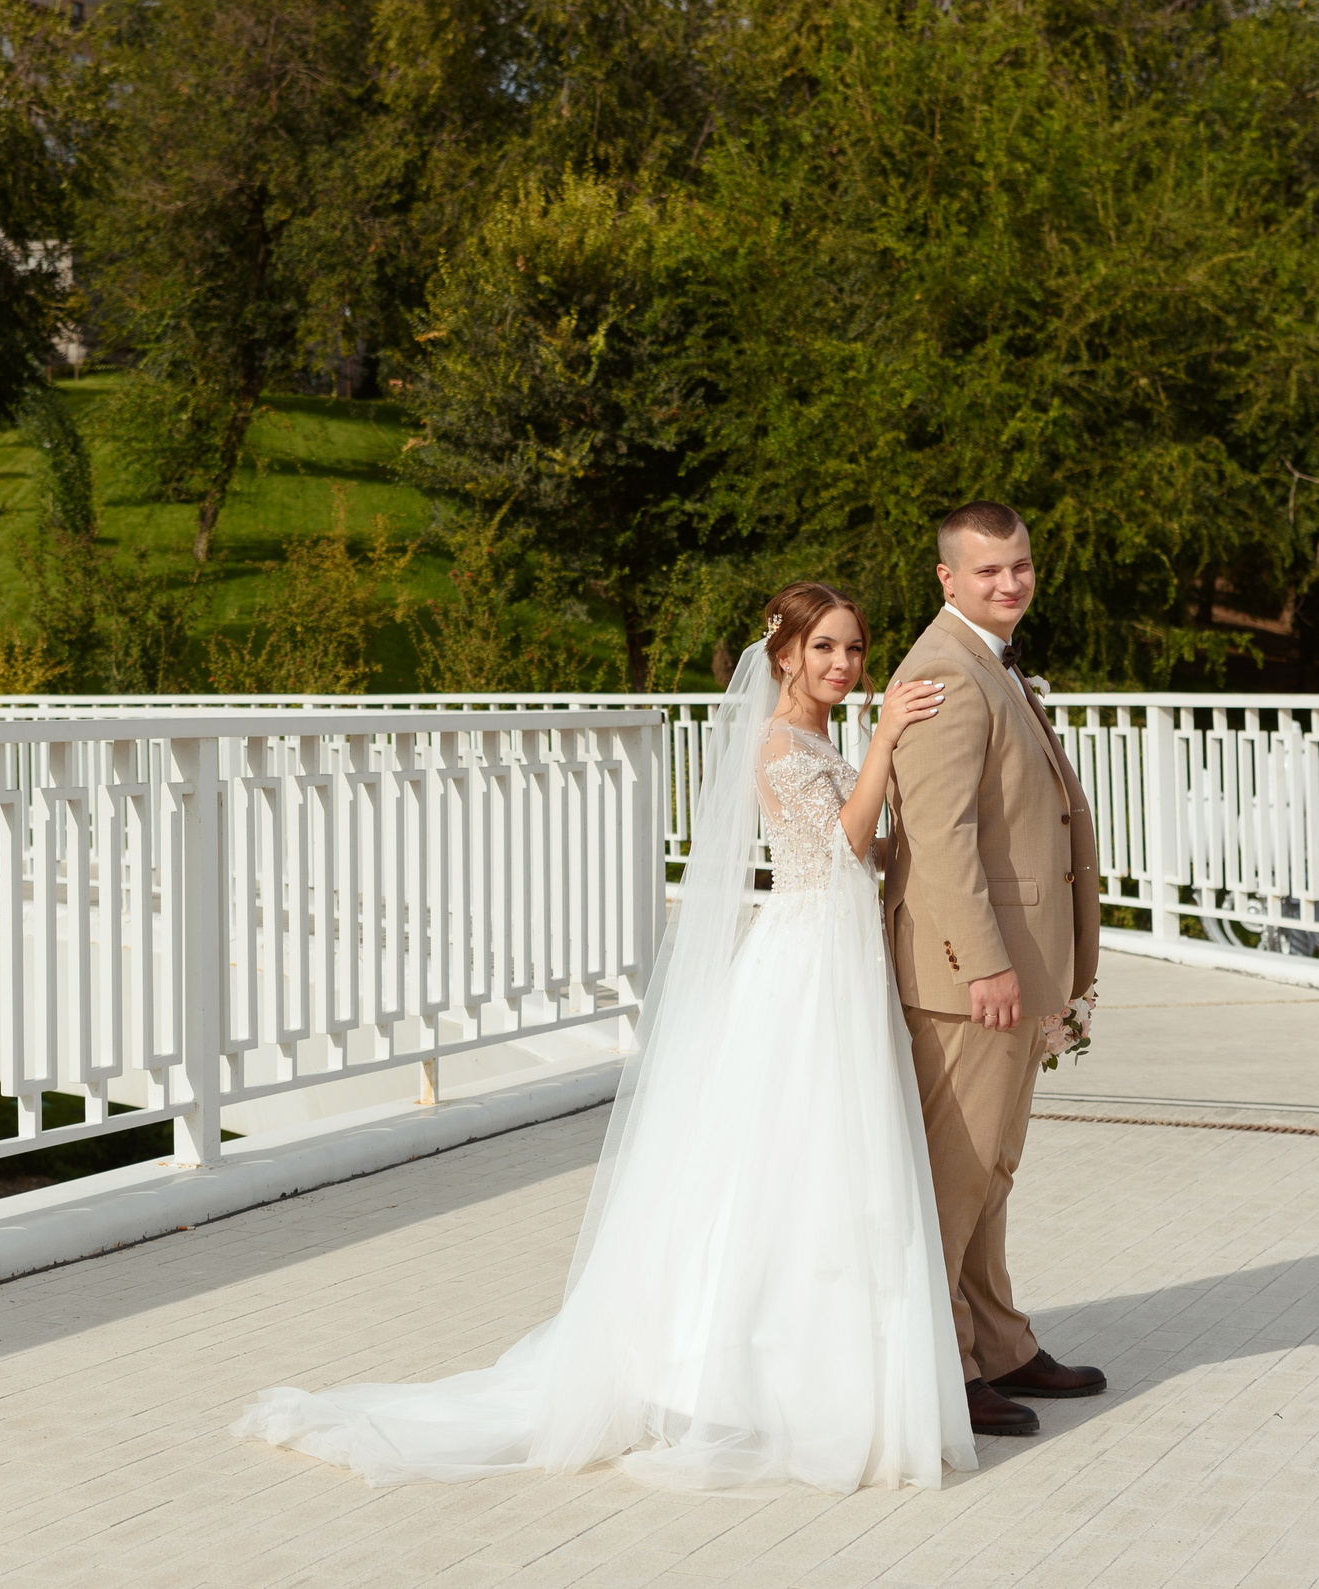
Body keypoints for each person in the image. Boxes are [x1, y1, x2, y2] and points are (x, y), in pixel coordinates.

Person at [234, 584, 976, 1494]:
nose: (844, 666)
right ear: (783, 653)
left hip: (835, 960)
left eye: (856, 650)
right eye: (825, 647)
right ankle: (754, 1378)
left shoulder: (819, 737)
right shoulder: (780, 741)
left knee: (824, 1160)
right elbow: (840, 850)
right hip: (806, 965)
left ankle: (827, 1372)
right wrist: (892, 736)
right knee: (796, 1153)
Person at [883, 501, 1106, 1439]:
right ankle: (942, 1365)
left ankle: (999, 1341)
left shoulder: (994, 663)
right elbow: (940, 841)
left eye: (1019, 565)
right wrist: (983, 964)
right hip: (971, 977)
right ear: (946, 579)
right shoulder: (944, 671)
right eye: (987, 571)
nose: (1009, 582)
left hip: (1021, 967)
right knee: (956, 1174)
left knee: (994, 1167)